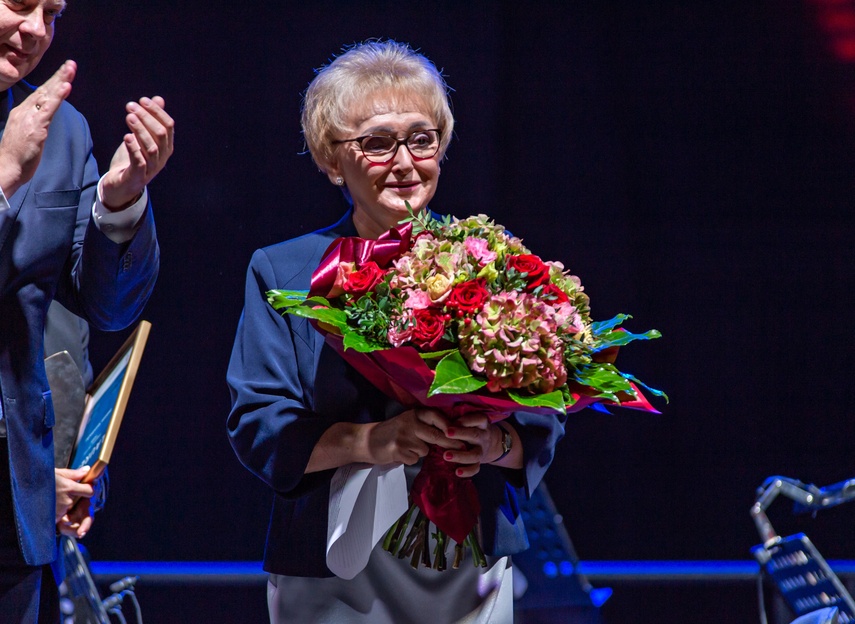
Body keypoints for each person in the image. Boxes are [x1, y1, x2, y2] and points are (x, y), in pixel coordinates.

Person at [227, 40, 565, 623]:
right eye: (379, 143)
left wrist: (493, 444)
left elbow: (544, 413)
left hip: (469, 561)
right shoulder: (285, 273)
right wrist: (372, 443)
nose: (405, 162)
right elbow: (259, 424)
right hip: (334, 572)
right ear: (332, 160)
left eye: (421, 138)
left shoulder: (495, 261)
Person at [0, 2, 174, 622]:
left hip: (17, 522)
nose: (36, 30)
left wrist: (119, 204)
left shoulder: (63, 129)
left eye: (53, 13)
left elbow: (106, 306)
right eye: (20, 3)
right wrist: (3, 177)